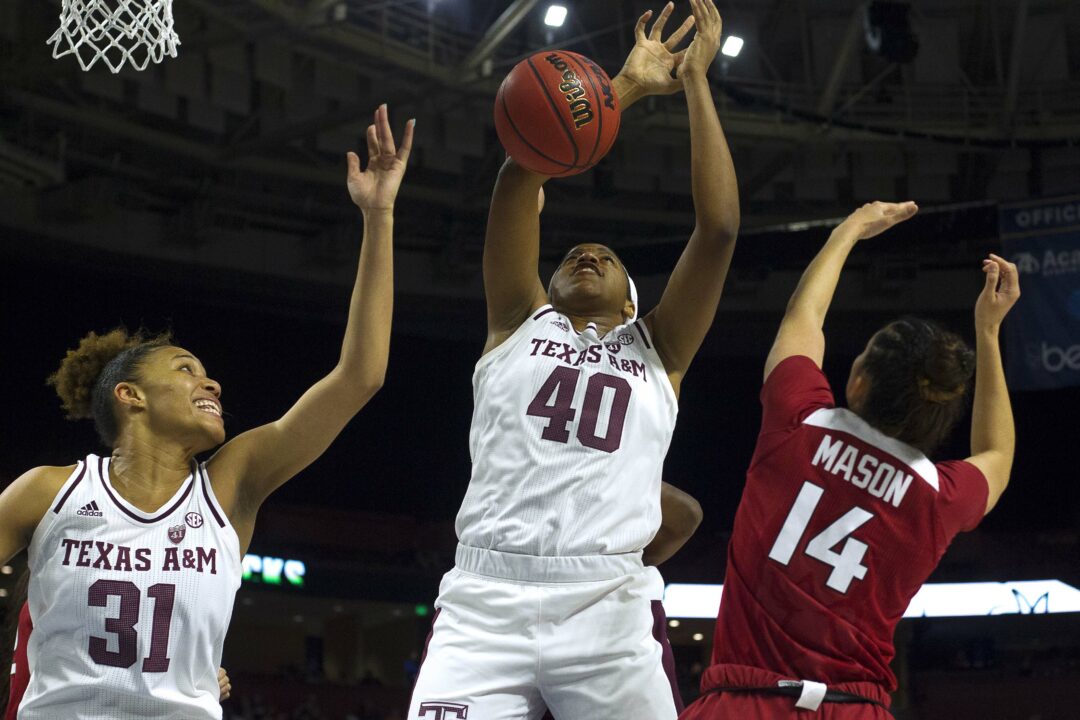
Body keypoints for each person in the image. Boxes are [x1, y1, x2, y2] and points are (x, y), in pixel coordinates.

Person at [0, 104, 412, 719]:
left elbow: (360, 377)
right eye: (186, 368)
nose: (211, 381)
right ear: (130, 396)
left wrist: (379, 216)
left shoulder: (230, 485)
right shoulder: (48, 492)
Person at [408, 0, 739, 717]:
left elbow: (718, 231)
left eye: (607, 257)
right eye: (572, 254)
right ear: (548, 284)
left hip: (606, 603)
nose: (587, 253)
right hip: (484, 599)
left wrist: (693, 84)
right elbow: (519, 176)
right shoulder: (514, 321)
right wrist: (619, 88)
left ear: (630, 302)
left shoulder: (659, 348)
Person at [679, 202, 1020, 718]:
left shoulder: (798, 422)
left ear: (858, 381)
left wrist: (847, 233)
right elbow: (996, 454)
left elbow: (804, 318)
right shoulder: (937, 497)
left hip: (741, 702)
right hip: (854, 707)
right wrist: (989, 332)